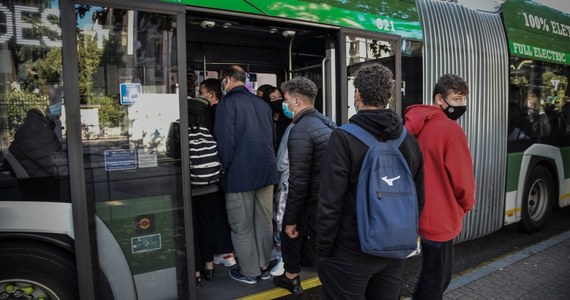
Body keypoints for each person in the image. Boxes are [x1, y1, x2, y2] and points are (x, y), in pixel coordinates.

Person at [317, 63, 424, 299]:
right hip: (393, 251)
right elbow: (420, 197)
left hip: (351, 250)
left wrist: (323, 250)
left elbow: (329, 202)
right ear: (387, 96)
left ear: (358, 94)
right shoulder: (409, 140)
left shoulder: (343, 137)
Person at [404, 73, 476, 300]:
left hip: (421, 213)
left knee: (430, 275)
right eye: (456, 99)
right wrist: (466, 205)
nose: (461, 105)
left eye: (463, 99)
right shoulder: (452, 130)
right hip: (442, 217)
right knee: (438, 279)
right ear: (439, 99)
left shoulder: (416, 126)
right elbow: (462, 180)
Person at [214, 65, 279, 284]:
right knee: (263, 222)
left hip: (239, 174)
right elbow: (270, 138)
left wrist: (224, 171)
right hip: (266, 172)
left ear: (228, 80)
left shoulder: (226, 104)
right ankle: (263, 266)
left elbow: (225, 143)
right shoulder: (262, 104)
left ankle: (250, 272)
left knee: (242, 226)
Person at [273, 77, 335, 294]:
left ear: (297, 101)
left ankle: (292, 277)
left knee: (290, 233)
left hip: (310, 201)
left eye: (286, 99)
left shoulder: (299, 130)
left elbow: (298, 180)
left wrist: (290, 220)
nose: (285, 104)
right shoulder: (327, 122)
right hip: (326, 199)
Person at [8, 108, 62, 200]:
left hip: (30, 182)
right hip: (42, 185)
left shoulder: (23, 129)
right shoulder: (38, 130)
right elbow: (55, 167)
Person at [262, 86, 292, 153]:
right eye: (273, 98)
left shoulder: (289, 117)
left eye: (280, 96)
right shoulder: (263, 120)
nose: (278, 100)